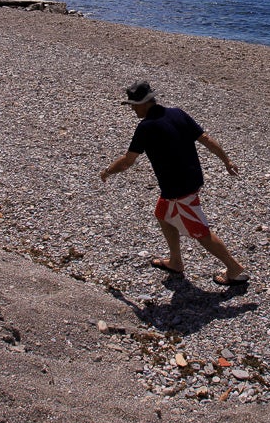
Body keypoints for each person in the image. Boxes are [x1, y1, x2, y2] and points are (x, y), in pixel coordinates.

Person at [98, 80, 249, 286]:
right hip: (189, 180)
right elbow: (205, 138)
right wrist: (226, 160)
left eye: (133, 104)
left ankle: (234, 269)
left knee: (200, 232)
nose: (132, 108)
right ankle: (176, 261)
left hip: (179, 189)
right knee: (162, 214)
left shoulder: (146, 127)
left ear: (145, 103)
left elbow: (128, 161)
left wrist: (107, 171)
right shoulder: (177, 113)